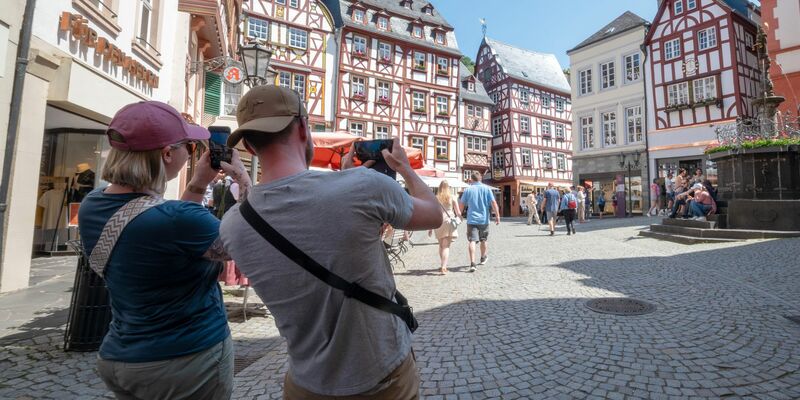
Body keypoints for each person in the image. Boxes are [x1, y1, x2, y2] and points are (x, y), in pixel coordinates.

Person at [218, 86, 442, 399]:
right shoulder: (365, 186)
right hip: (381, 379)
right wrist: (403, 167)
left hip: (305, 385)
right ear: (302, 127)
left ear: (249, 147)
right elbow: (434, 214)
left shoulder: (233, 225)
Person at [78, 101, 251, 400]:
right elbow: (248, 243)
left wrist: (197, 184)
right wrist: (244, 181)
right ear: (168, 154)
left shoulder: (92, 204)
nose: (192, 153)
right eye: (189, 146)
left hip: (121, 356)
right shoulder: (177, 218)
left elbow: (172, 235)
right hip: (185, 361)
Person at [460, 172, 500, 272]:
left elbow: (461, 203)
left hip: (471, 219)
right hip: (484, 219)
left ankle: (472, 263)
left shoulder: (468, 190)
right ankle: (483, 258)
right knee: (483, 239)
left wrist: (459, 215)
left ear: (471, 179)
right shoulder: (487, 189)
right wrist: (497, 215)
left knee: (472, 241)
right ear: (480, 179)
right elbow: (493, 202)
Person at [430, 180, 461, 275]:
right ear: (449, 188)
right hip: (448, 222)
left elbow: (432, 213)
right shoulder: (452, 197)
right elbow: (458, 212)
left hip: (438, 222)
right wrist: (459, 219)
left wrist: (430, 228)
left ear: (439, 188)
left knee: (441, 246)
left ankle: (442, 265)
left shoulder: (435, 198)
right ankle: (444, 267)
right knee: (446, 246)